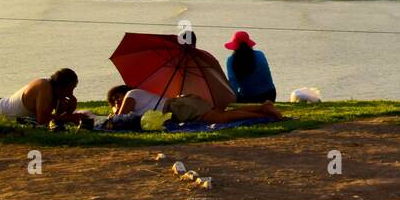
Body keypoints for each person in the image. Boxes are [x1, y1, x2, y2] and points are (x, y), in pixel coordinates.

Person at [108, 85, 283, 124]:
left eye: (117, 96)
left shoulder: (131, 95)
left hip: (178, 107)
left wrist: (115, 110)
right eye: (113, 100)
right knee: (221, 115)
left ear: (125, 91)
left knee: (221, 118)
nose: (117, 100)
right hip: (181, 105)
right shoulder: (136, 96)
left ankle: (265, 114)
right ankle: (263, 107)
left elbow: (121, 118)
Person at [0, 68, 82, 124]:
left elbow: (57, 116)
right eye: (70, 89)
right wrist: (70, 118)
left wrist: (70, 109)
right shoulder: (44, 87)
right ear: (60, 87)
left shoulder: (56, 92)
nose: (71, 93)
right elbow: (42, 119)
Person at [224, 30, 277, 103]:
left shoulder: (231, 61)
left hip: (250, 98)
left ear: (235, 46)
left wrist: (229, 100)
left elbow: (233, 84)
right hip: (270, 96)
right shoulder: (260, 54)